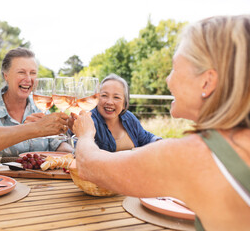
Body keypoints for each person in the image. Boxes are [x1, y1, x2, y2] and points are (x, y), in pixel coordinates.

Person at [73, 15, 250, 231]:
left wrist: (84, 135)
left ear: (207, 81)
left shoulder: (192, 156)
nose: (167, 80)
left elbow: (89, 166)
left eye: (175, 67)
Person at [0, 47, 73, 157]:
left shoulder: (39, 108)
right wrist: (28, 130)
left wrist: (76, 151)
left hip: (35, 174)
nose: (28, 79)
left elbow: (56, 143)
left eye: (33, 73)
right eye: (21, 72)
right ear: (6, 75)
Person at [90, 73, 161, 151]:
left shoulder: (129, 117)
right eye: (104, 95)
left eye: (116, 97)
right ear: (96, 98)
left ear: (124, 104)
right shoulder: (89, 120)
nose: (109, 102)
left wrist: (162, 144)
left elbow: (146, 138)